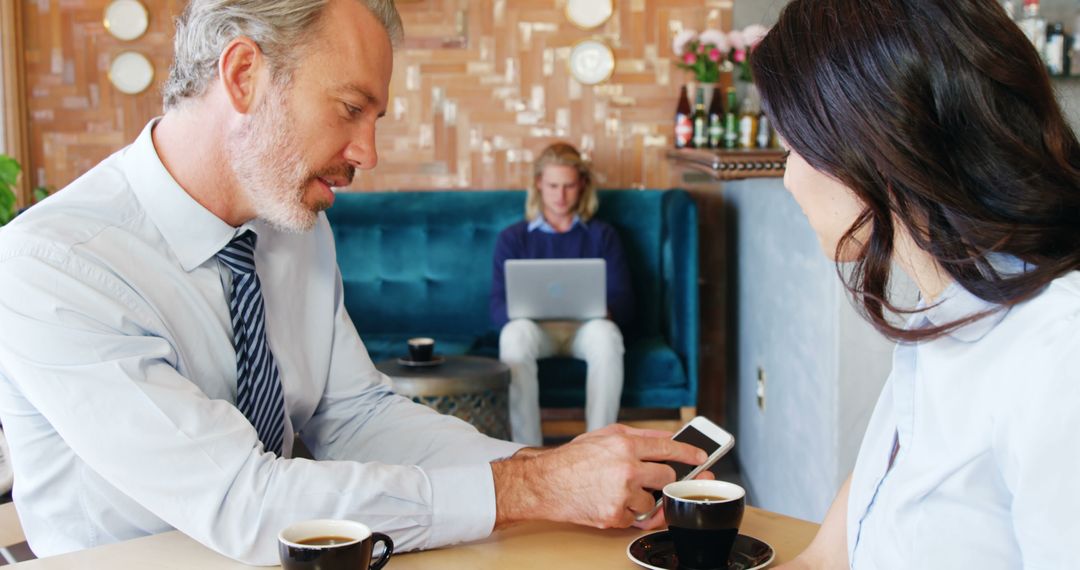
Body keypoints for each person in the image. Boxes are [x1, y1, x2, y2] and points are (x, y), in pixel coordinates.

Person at [0, 0, 708, 564]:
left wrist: (561, 471)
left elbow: (358, 417)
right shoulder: (52, 264)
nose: (368, 153)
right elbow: (245, 501)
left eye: (375, 119)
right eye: (349, 109)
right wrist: (533, 486)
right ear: (244, 75)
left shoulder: (294, 224)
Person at [750, 0, 1080, 568]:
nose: (787, 178)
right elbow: (825, 560)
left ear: (870, 139)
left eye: (792, 147)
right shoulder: (941, 326)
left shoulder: (1057, 356)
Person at [490, 143, 634, 446]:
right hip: (537, 333)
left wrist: (603, 310)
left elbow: (624, 299)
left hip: (585, 331)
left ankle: (598, 447)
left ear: (582, 185)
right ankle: (528, 449)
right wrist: (520, 312)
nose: (561, 195)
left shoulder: (603, 235)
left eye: (568, 186)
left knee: (607, 334)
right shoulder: (513, 238)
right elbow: (497, 306)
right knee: (513, 335)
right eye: (553, 186)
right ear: (539, 184)